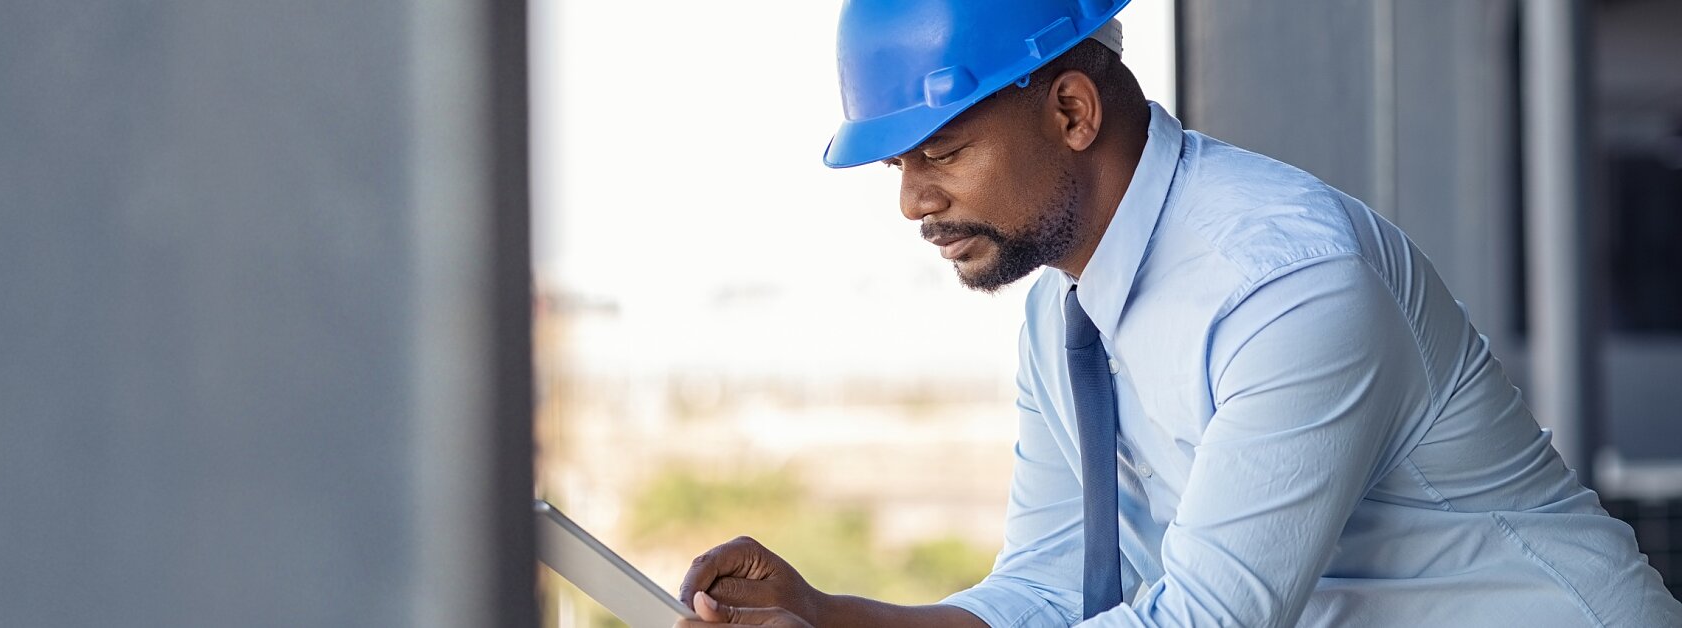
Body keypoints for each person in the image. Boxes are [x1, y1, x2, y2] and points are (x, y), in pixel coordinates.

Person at [671, 1, 1682, 626]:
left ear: (1071, 111)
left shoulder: (1285, 283)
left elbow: (1202, 620)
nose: (911, 201)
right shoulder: (1063, 317)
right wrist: (829, 619)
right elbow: (1050, 591)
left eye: (940, 152)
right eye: (898, 166)